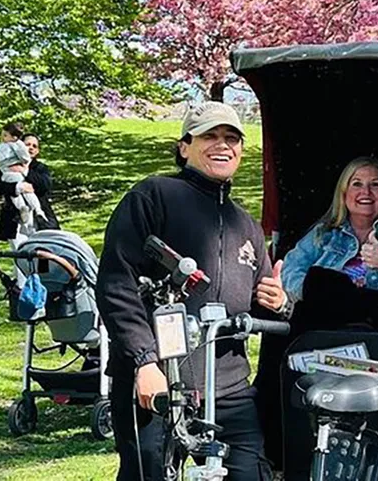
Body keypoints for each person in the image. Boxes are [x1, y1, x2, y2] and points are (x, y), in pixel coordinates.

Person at [96, 102, 291, 481]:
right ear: (184, 146)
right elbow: (117, 284)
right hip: (155, 380)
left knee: (250, 473)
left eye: (232, 138)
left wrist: (281, 303)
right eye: (210, 136)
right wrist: (143, 361)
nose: (223, 145)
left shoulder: (245, 224)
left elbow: (260, 306)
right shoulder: (152, 197)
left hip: (229, 388)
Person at [280, 156, 378, 301]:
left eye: (375, 185)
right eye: (357, 184)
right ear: (344, 193)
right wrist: (318, 297)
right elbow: (290, 270)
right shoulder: (324, 234)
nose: (366, 192)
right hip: (329, 325)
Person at [0, 122, 47, 231]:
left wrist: (24, 170)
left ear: (37, 151)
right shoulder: (7, 167)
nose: (31, 148)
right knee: (17, 247)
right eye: (28, 144)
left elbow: (45, 186)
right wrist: (18, 188)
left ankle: (38, 211)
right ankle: (22, 208)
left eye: (34, 146)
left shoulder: (40, 168)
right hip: (13, 220)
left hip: (39, 223)